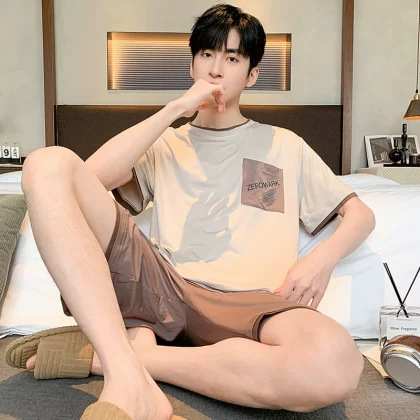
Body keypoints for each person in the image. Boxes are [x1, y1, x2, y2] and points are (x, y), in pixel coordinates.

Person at [6, 4, 375, 420]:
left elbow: (361, 216)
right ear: (192, 65)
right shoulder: (165, 144)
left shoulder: (284, 144)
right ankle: (130, 368)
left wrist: (320, 261)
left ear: (251, 75)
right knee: (46, 164)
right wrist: (174, 111)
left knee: (335, 363)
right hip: (164, 288)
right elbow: (83, 182)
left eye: (232, 58)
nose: (216, 69)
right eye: (207, 55)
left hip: (253, 302)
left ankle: (119, 360)